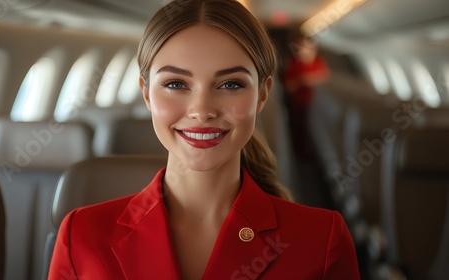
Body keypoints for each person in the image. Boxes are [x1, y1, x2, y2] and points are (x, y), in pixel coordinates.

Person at [48, 0, 360, 279]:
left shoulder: (321, 240)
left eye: (230, 85)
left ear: (262, 94)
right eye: (175, 83)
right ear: (146, 92)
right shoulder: (81, 237)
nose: (201, 110)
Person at [283, 34, 330, 160]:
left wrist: (310, 80)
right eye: (300, 47)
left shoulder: (319, 63)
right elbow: (288, 87)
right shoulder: (294, 64)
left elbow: (326, 80)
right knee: (300, 134)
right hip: (299, 106)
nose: (302, 50)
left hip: (318, 107)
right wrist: (300, 81)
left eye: (306, 47)